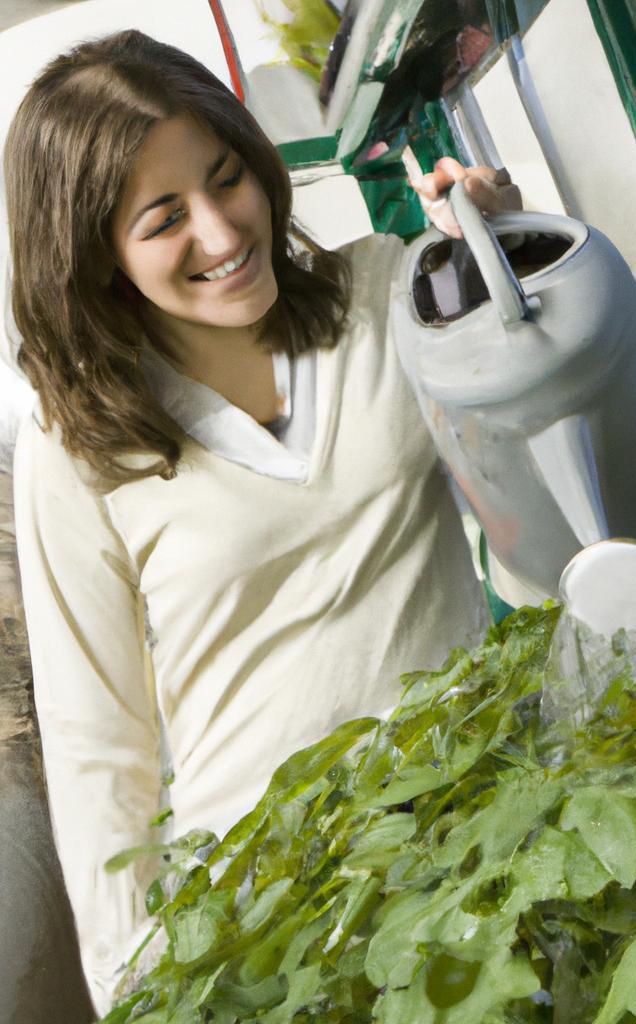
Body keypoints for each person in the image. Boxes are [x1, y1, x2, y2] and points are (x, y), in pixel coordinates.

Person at [4, 28, 521, 1015]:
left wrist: (499, 241)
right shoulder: (77, 448)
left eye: (227, 177)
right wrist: (138, 996)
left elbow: (550, 429)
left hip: (482, 826)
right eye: (162, 218)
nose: (221, 231)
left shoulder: (382, 292)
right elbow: (96, 744)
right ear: (95, 256)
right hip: (270, 918)